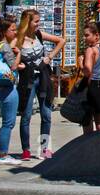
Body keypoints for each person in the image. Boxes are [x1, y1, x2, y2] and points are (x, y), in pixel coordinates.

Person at [15, 9, 65, 160]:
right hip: (27, 80)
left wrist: (49, 56)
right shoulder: (18, 39)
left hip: (42, 78)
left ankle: (44, 149)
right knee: (26, 115)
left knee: (46, 114)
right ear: (27, 22)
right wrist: (17, 65)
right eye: (36, 21)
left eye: (38, 20)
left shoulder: (39, 35)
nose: (38, 24)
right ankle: (25, 150)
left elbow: (61, 40)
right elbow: (6, 53)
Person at [0, 16, 22, 165]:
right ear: (4, 31)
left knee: (5, 122)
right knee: (8, 123)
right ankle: (3, 155)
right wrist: (19, 54)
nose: (15, 32)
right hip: (7, 88)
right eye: (12, 30)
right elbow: (13, 66)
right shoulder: (6, 46)